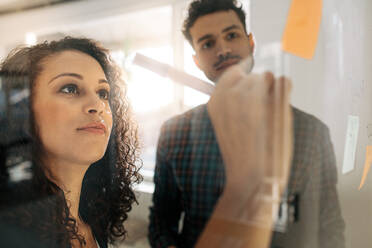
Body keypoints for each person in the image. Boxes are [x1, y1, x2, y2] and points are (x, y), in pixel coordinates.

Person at [0, 37, 293, 248]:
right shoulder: (10, 232)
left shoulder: (90, 222)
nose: (97, 105)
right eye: (70, 88)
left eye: (103, 93)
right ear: (18, 111)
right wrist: (252, 186)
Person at [148, 0, 345, 248]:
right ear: (197, 60)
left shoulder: (311, 132)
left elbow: (330, 229)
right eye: (208, 43)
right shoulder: (174, 133)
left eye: (231, 35)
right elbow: (160, 222)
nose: (223, 50)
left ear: (251, 43)